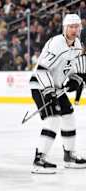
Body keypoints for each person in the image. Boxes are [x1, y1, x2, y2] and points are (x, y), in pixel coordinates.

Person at [29, 14, 86, 174]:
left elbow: (71, 68)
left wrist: (75, 79)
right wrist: (48, 91)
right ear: (65, 28)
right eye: (72, 27)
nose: (75, 30)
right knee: (53, 119)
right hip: (40, 85)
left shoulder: (77, 46)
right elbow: (41, 69)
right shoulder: (56, 43)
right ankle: (39, 160)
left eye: (77, 27)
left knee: (68, 116)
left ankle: (69, 156)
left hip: (57, 88)